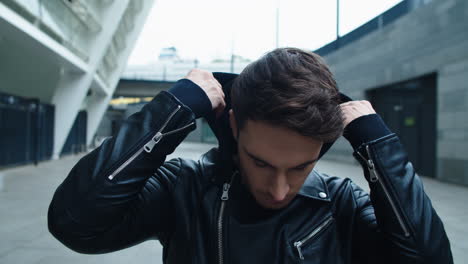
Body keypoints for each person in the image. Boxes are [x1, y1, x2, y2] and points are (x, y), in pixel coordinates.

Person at [48, 48, 453, 263]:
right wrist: (172, 111)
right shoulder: (184, 189)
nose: (279, 190)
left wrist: (379, 148)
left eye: (299, 167)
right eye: (261, 162)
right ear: (235, 125)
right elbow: (75, 224)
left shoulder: (341, 206)